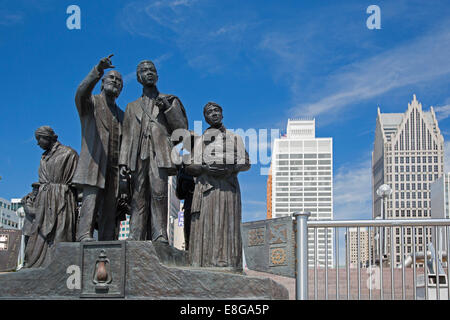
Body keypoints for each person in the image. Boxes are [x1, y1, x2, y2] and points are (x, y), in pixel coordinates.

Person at [119, 60, 188, 242]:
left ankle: (159, 234)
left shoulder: (170, 100)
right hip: (138, 154)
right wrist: (123, 162)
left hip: (159, 153)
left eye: (152, 70)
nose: (149, 72)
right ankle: (135, 234)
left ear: (157, 76)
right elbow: (126, 137)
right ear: (138, 77)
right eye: (144, 70)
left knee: (159, 193)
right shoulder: (131, 107)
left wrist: (168, 109)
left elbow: (182, 132)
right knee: (137, 195)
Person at [186, 102, 250, 270]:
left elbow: (246, 162)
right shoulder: (200, 140)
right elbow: (190, 166)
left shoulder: (235, 137)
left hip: (228, 187)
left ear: (222, 114)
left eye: (216, 110)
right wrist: (205, 168)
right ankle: (205, 263)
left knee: (228, 224)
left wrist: (230, 168)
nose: (213, 114)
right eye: (209, 112)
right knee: (208, 225)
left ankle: (230, 263)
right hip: (208, 188)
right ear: (205, 118)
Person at [72, 54, 125, 241]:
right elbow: (81, 92)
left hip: (114, 167)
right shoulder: (91, 103)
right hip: (95, 162)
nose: (116, 82)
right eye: (112, 78)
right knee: (90, 201)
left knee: (111, 206)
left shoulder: (121, 114)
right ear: (102, 83)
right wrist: (98, 70)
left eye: (120, 81)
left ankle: (107, 239)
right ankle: (83, 235)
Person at [22, 126, 78, 268]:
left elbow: (77, 182)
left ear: (47, 137)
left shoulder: (68, 153)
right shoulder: (44, 157)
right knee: (38, 236)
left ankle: (58, 266)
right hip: (44, 201)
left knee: (60, 233)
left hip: (62, 199)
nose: (37, 143)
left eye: (38, 139)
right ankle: (37, 265)